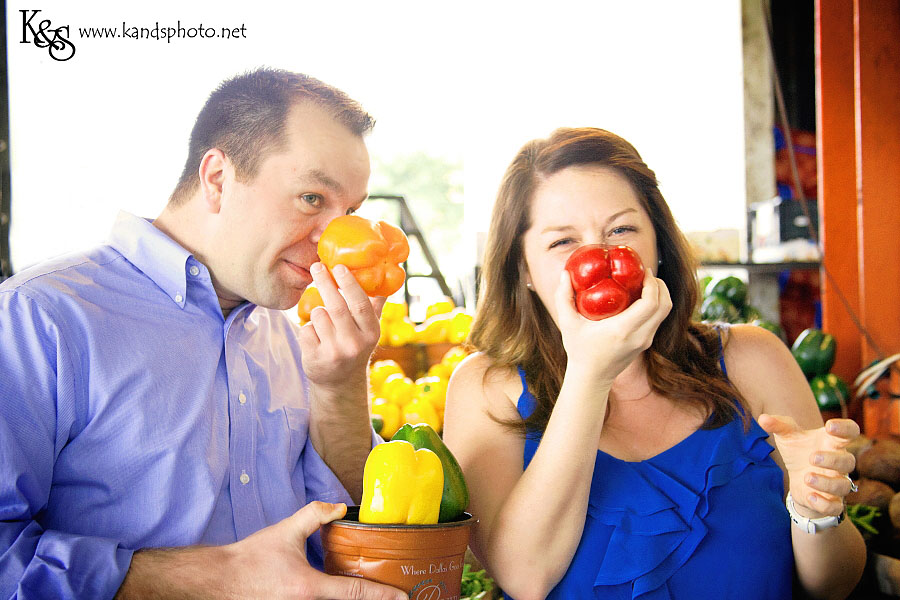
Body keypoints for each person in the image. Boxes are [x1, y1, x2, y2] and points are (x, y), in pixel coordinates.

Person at [0, 68, 405, 600]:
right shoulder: (39, 317)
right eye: (312, 199)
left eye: (350, 211)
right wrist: (216, 578)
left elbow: (348, 513)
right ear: (217, 178)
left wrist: (342, 385)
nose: (336, 241)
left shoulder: (289, 335)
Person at [443, 127, 866, 600]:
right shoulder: (483, 388)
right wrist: (591, 373)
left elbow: (834, 586)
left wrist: (817, 511)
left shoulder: (755, 359)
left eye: (621, 230)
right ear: (522, 268)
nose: (598, 257)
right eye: (562, 241)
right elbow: (525, 578)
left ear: (659, 245)